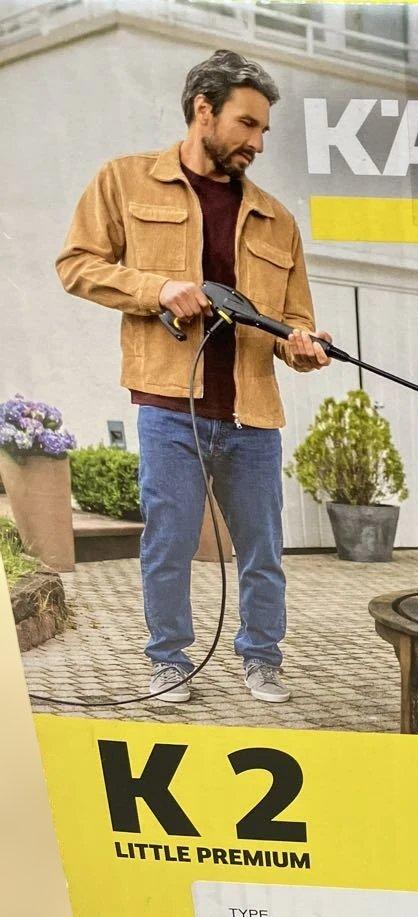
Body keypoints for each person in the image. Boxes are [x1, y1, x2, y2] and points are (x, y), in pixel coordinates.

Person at [56, 49, 332, 704]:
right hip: (168, 406)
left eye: (264, 129)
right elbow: (77, 265)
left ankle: (262, 659)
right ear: (203, 110)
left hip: (252, 414)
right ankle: (169, 662)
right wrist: (157, 289)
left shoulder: (277, 218)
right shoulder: (124, 181)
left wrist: (305, 347)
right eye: (247, 124)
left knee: (263, 552)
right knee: (169, 545)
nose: (257, 142)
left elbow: (295, 322)